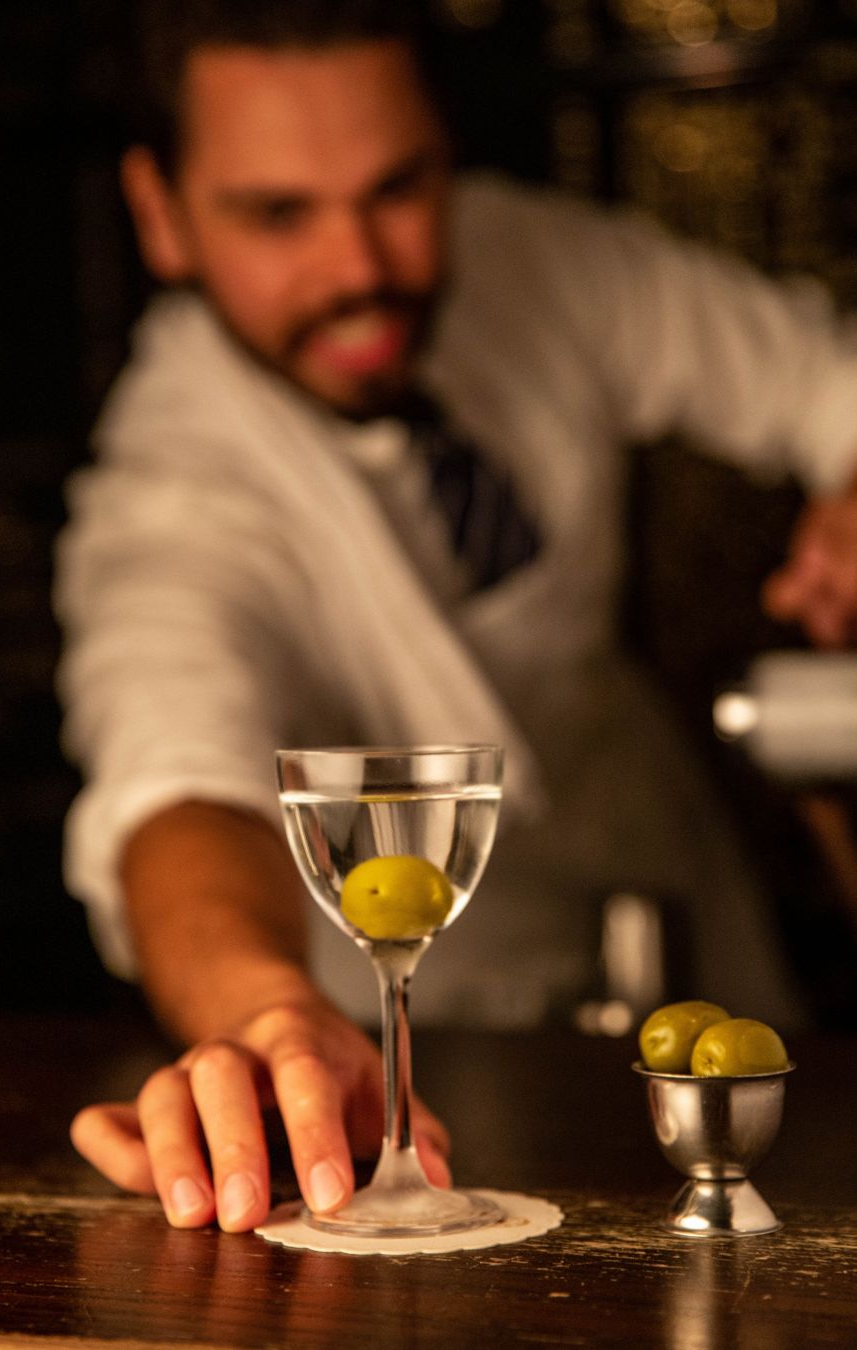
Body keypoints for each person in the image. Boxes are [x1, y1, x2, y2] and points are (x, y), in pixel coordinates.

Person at [57, 0, 857, 1233]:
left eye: (398, 187)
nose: (361, 267)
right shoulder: (173, 493)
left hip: (698, 948)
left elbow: (824, 378)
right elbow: (177, 785)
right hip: (430, 1070)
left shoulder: (540, 261)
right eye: (278, 213)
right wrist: (267, 1008)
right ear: (160, 213)